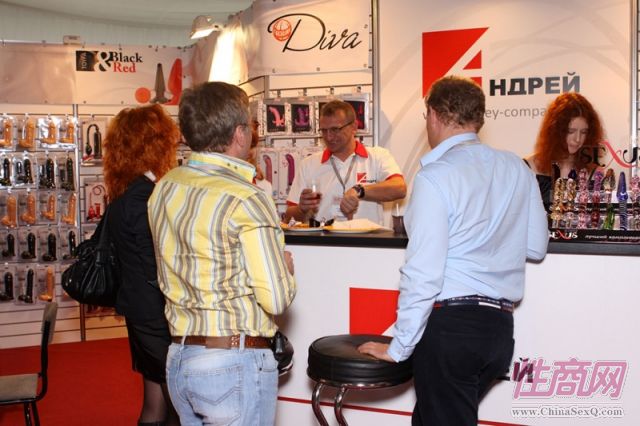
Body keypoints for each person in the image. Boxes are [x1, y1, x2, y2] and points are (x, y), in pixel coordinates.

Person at [358, 76, 549, 425]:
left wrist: (399, 346)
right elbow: (536, 246)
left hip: (450, 330)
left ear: (433, 115)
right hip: (498, 331)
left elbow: (423, 273)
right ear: (478, 118)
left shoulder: (435, 176)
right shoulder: (516, 168)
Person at [147, 81, 296, 426]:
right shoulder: (246, 197)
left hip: (179, 356)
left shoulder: (165, 188)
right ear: (239, 133)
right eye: (251, 126)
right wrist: (284, 269)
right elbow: (276, 299)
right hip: (233, 360)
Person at [103, 104, 180, 426]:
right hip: (154, 312)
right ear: (152, 144)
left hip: (140, 307)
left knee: (155, 398)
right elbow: (155, 264)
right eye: (168, 140)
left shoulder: (127, 192)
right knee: (178, 402)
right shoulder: (144, 196)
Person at [285, 100, 406, 224]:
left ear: (354, 127)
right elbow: (288, 218)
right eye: (324, 131)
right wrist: (301, 209)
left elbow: (400, 188)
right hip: (323, 237)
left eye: (335, 129)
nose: (329, 137)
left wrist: (359, 190)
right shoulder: (308, 164)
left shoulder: (377, 156)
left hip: (367, 237)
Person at [525, 92, 604, 202]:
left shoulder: (594, 172)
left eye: (584, 132)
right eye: (571, 131)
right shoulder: (529, 168)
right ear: (556, 131)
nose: (577, 139)